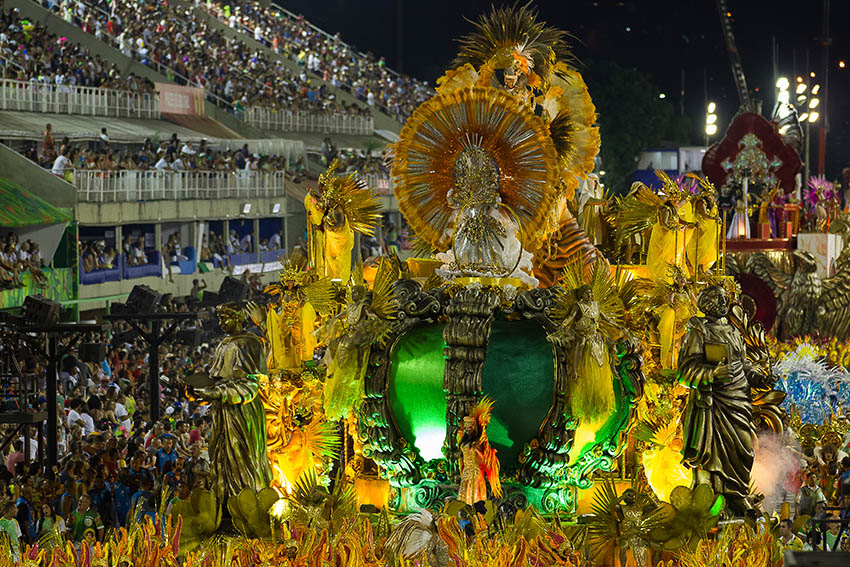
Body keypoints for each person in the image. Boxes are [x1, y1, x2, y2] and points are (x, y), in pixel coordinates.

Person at [678, 285, 775, 516]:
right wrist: (712, 374)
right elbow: (685, 372)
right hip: (714, 403)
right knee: (712, 451)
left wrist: (758, 375)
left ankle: (737, 493)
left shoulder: (733, 331)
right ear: (708, 303)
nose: (724, 302)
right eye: (719, 299)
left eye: (725, 298)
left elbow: (743, 363)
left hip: (738, 401)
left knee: (742, 449)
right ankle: (712, 499)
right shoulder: (698, 331)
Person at [190, 303, 273, 510]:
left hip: (242, 412)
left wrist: (216, 393)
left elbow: (251, 384)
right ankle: (225, 504)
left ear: (238, 318)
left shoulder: (249, 344)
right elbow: (215, 380)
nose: (221, 324)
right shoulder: (224, 344)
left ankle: (248, 506)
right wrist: (195, 389)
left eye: (225, 318)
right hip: (222, 413)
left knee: (242, 458)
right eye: (219, 319)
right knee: (221, 457)